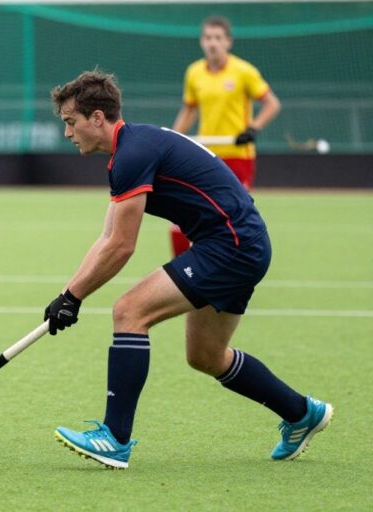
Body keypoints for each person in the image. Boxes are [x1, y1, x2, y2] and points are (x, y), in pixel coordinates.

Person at [45, 70, 330, 469]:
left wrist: (74, 297)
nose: (68, 133)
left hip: (231, 244)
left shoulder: (132, 154)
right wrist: (66, 294)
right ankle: (302, 413)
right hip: (239, 243)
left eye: (70, 123)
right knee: (206, 355)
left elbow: (122, 247)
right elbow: (106, 236)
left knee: (129, 312)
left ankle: (114, 438)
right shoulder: (128, 151)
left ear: (96, 117)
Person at [168, 15, 281, 256]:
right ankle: (180, 275)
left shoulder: (244, 71)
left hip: (239, 158)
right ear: (201, 42)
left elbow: (272, 103)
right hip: (206, 156)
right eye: (208, 38)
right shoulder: (194, 72)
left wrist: (253, 127)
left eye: (218, 38)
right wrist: (173, 139)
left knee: (232, 223)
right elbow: (189, 109)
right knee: (179, 223)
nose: (212, 43)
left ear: (228, 42)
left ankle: (229, 272)